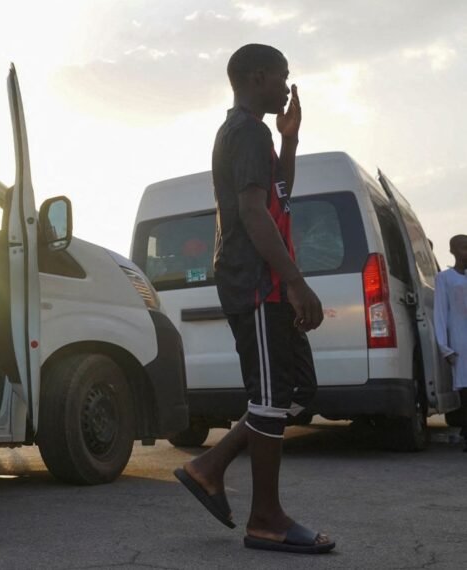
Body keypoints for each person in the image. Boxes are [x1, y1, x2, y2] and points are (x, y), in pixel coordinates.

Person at [172, 44, 334, 555]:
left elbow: (276, 194)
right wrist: (294, 280)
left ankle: (208, 467)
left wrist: (290, 141)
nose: (286, 87)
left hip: (266, 282)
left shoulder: (261, 135)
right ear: (258, 76)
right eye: (282, 77)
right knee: (268, 400)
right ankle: (266, 519)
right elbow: (250, 211)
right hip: (257, 283)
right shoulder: (245, 130)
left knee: (296, 389)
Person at [435, 234, 467, 449]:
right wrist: (445, 348)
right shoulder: (444, 278)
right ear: (453, 251)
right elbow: (440, 314)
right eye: (464, 247)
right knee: (465, 390)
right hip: (460, 341)